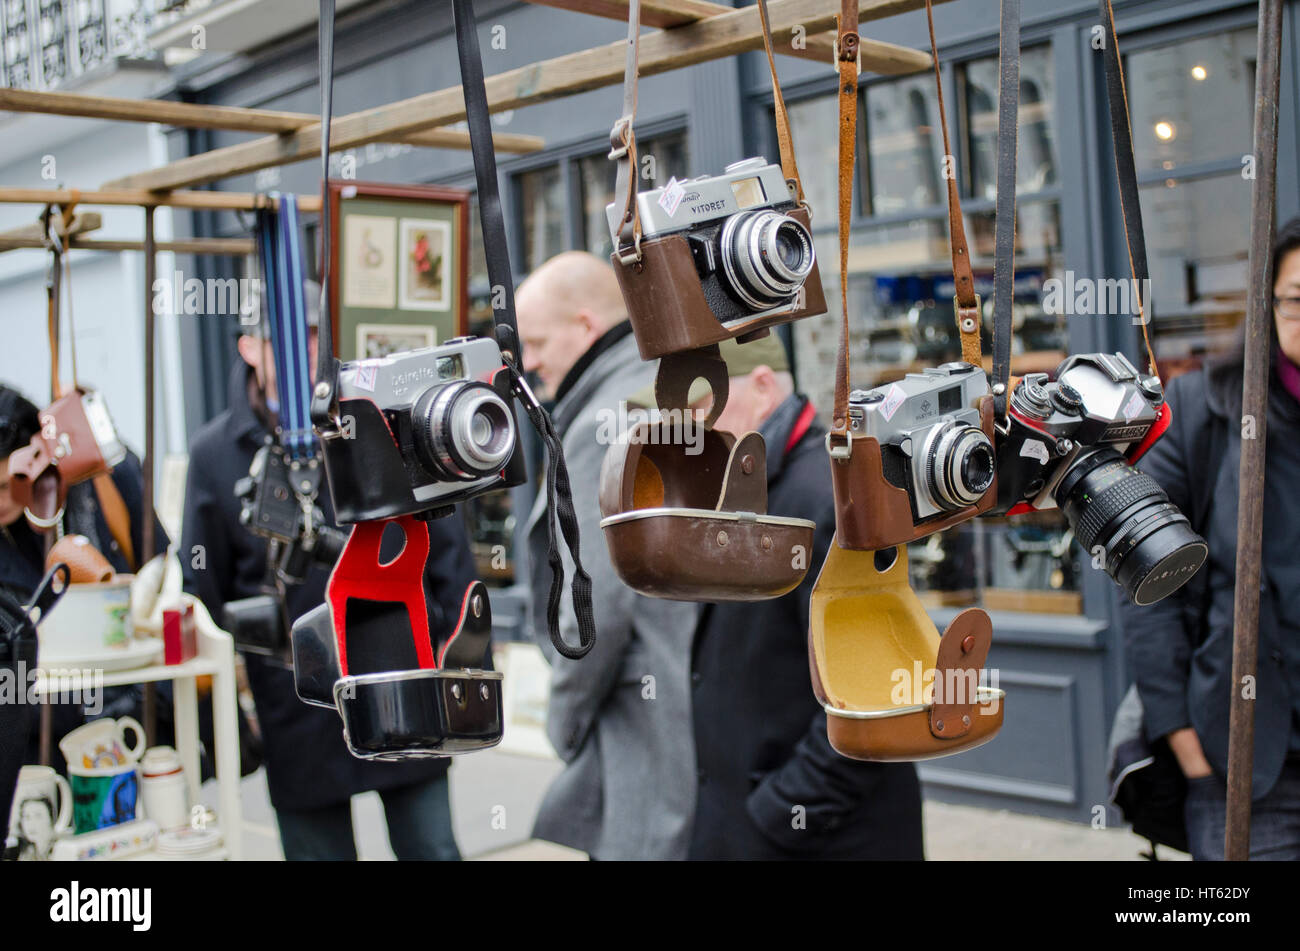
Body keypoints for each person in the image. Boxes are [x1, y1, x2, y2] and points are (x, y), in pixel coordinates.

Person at [182, 282, 476, 860]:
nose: (303, 353)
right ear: (248, 347)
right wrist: (248, 680)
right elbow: (204, 585)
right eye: (286, 341)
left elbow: (446, 550)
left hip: (402, 671)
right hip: (297, 697)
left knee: (432, 848)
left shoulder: (381, 419)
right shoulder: (215, 452)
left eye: (315, 338)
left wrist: (450, 649)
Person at [659, 334, 924, 860]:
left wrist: (781, 813)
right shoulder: (754, 483)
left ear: (762, 386)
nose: (691, 431)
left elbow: (879, 696)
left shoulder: (828, 496)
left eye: (701, 409)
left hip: (817, 837)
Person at [1119, 215, 1300, 860]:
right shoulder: (1206, 410)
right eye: (1297, 299)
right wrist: (1183, 741)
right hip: (1246, 772)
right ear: (1269, 304)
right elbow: (1144, 575)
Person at [515, 251, 700, 860]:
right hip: (686, 715)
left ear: (587, 326)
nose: (531, 362)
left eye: (538, 342)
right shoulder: (657, 389)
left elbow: (593, 614)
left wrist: (562, 721)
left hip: (639, 731)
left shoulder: (604, 421)